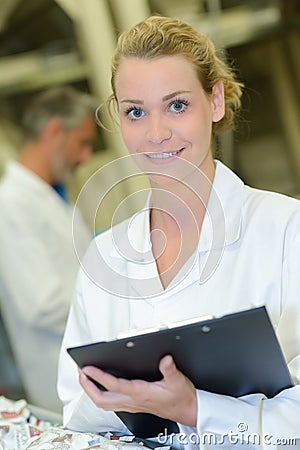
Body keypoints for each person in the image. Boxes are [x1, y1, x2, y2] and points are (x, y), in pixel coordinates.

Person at [57, 16, 300, 448]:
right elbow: (76, 410)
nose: (156, 134)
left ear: (217, 101)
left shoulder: (285, 231)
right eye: (136, 111)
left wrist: (194, 409)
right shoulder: (104, 256)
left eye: (177, 105)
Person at [0, 86, 97, 412]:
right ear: (55, 130)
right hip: (64, 384)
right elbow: (43, 305)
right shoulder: (10, 204)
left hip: (93, 376)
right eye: (83, 143)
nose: (85, 157)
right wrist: (115, 301)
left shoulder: (54, 197)